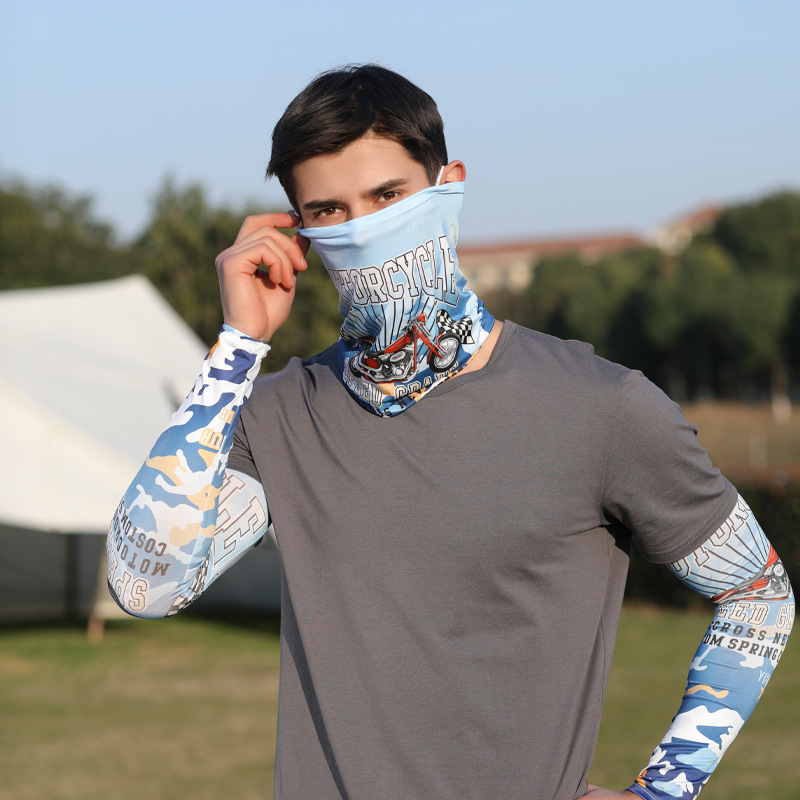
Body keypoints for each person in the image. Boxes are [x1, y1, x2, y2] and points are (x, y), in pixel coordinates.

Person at [107, 64, 794, 800]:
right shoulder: (277, 416)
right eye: (329, 210)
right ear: (299, 232)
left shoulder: (602, 406)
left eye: (388, 195)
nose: (362, 228)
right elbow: (146, 586)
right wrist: (237, 348)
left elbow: (758, 594)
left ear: (448, 185)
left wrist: (665, 788)